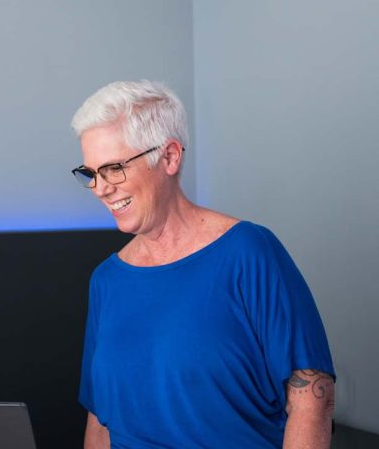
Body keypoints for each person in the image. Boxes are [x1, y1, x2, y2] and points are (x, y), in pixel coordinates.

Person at [70, 81, 335, 448]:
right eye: (91, 173)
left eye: (114, 168)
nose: (101, 188)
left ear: (169, 157)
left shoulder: (248, 252)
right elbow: (100, 420)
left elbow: (311, 402)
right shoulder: (107, 280)